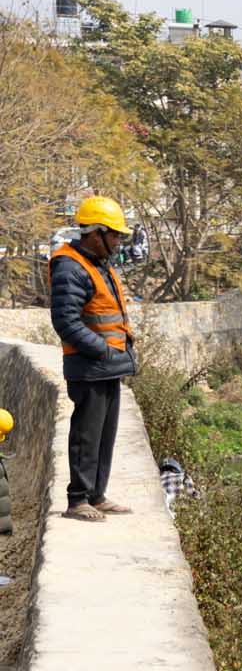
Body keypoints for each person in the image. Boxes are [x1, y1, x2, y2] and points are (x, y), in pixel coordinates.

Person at [48, 196, 139, 522]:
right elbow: (66, 322)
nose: (117, 241)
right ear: (95, 233)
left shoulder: (96, 263)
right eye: (114, 235)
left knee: (104, 435)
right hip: (90, 366)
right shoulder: (70, 267)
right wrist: (102, 350)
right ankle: (78, 500)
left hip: (107, 365)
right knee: (86, 434)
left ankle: (96, 495)